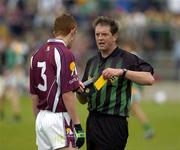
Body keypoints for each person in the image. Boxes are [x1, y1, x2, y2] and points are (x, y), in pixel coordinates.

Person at [76, 16, 154, 150]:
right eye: (97, 34)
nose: (100, 38)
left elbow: (149, 79)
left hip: (114, 123)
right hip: (92, 122)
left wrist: (122, 72)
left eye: (105, 34)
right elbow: (83, 100)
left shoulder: (127, 59)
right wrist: (79, 91)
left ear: (115, 36)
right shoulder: (92, 62)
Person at [29, 13, 85, 150]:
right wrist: (77, 125)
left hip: (41, 118)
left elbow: (34, 95)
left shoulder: (36, 55)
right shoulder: (65, 53)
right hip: (58, 119)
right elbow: (67, 94)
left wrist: (40, 121)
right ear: (73, 31)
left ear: (55, 32)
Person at [122, 40, 154, 139]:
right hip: (134, 88)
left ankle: (148, 129)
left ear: (130, 47)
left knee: (130, 110)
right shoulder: (134, 56)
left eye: (125, 47)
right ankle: (146, 129)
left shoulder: (131, 57)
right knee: (128, 111)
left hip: (133, 88)